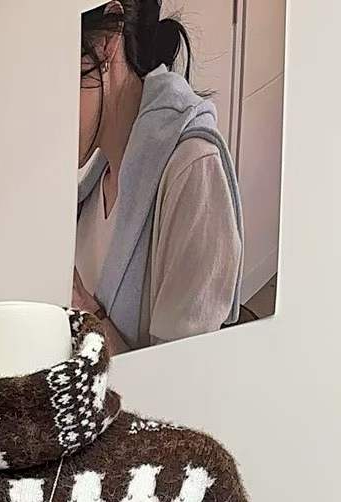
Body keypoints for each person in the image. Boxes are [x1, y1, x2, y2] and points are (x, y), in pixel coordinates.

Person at [76, 0, 244, 353]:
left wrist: (85, 315)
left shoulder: (192, 171)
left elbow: (182, 377)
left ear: (106, 41)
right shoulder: (95, 177)